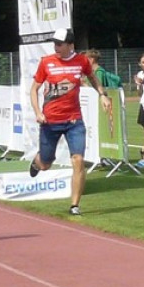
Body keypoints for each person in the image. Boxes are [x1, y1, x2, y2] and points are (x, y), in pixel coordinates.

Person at [28, 28, 112, 216]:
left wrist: (102, 95)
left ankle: (75, 205)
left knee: (78, 160)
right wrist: (37, 112)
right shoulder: (46, 62)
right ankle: (37, 162)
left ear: (70, 45)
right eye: (54, 43)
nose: (56, 47)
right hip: (50, 121)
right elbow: (34, 89)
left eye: (59, 43)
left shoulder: (81, 61)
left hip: (74, 120)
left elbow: (93, 77)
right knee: (46, 164)